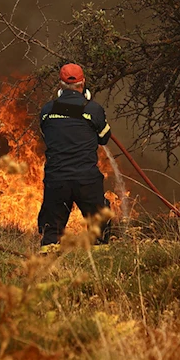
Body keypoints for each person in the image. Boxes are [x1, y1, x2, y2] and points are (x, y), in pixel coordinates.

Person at [37, 64, 112, 253]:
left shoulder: (47, 110)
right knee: (99, 227)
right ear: (83, 83)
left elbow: (47, 135)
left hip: (57, 179)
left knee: (51, 233)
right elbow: (104, 137)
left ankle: (48, 271)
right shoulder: (93, 109)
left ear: (60, 86)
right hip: (86, 179)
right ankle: (100, 264)